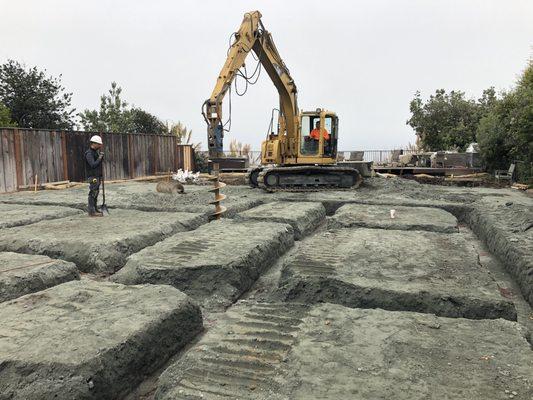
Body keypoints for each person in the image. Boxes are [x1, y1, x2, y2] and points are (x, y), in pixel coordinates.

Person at [85, 135, 104, 217]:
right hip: (92, 177)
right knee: (92, 193)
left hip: (97, 176)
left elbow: (98, 164)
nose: (100, 146)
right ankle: (91, 211)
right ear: (94, 143)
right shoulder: (89, 153)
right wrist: (100, 158)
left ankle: (95, 209)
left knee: (96, 192)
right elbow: (92, 165)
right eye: (99, 144)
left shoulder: (95, 152)